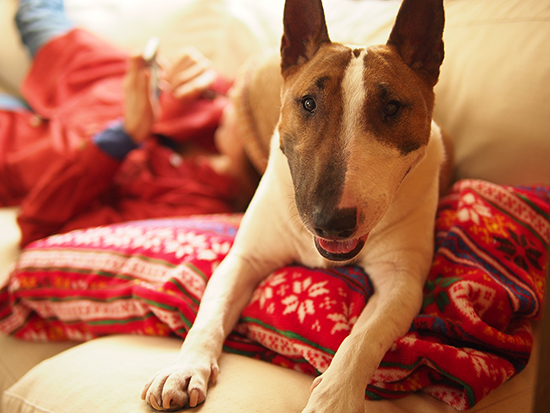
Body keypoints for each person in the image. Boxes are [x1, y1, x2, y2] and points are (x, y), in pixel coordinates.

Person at [0, 0, 262, 248]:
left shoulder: (190, 213)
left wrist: (124, 136)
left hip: (32, 148)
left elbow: (39, 229)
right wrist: (202, 75)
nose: (236, 97)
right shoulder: (226, 104)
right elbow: (230, 88)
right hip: (92, 79)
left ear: (262, 150)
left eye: (249, 106)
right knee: (35, 15)